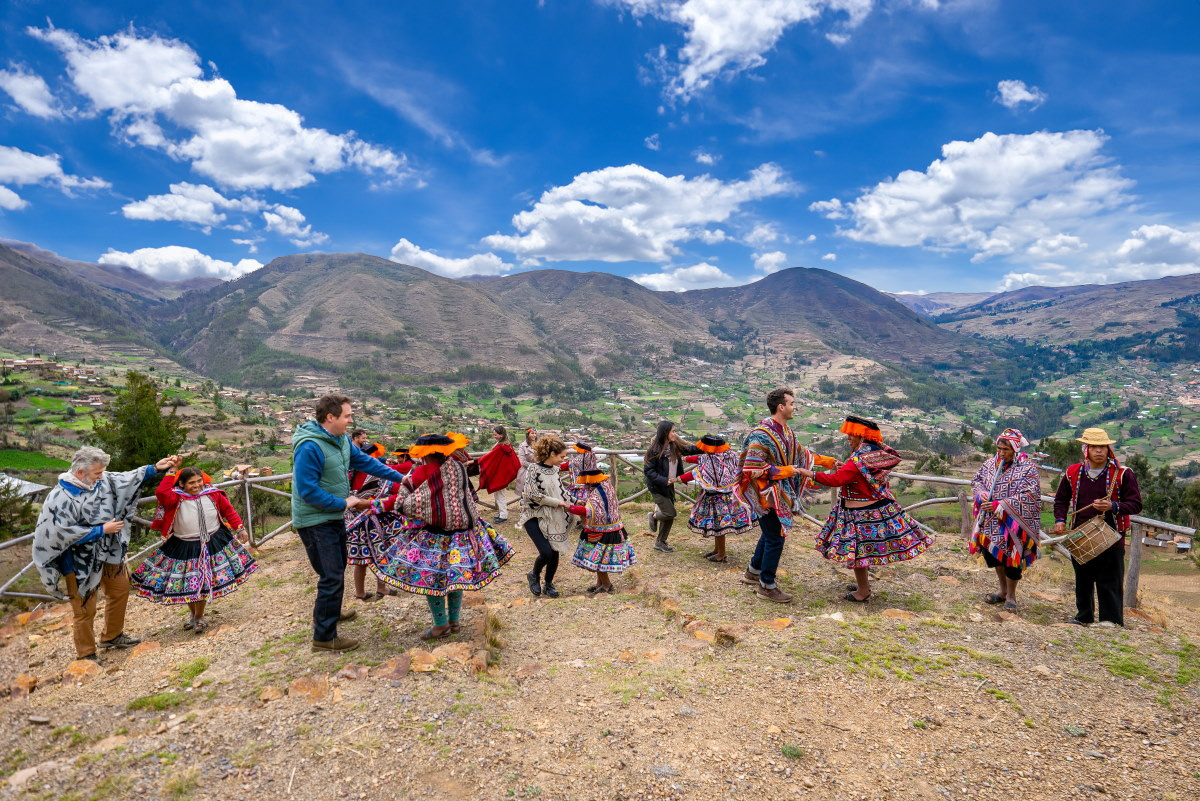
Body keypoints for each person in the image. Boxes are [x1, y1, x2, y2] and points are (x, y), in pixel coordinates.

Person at [32, 446, 176, 662]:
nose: (102, 477)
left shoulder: (100, 480)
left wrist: (155, 468)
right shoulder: (59, 498)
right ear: (80, 472)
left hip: (109, 552)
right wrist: (100, 530)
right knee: (84, 609)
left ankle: (112, 636)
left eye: (101, 472)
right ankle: (86, 655)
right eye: (97, 473)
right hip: (76, 563)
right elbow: (58, 534)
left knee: (120, 589)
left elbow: (123, 479)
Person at [365, 433, 514, 640]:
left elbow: (401, 502)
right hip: (462, 534)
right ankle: (454, 621)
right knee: (455, 577)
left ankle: (440, 624)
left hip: (434, 536)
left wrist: (371, 504)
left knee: (432, 580)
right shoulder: (458, 468)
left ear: (423, 453)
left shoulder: (420, 473)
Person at [291, 394, 408, 653]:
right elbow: (307, 491)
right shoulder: (309, 447)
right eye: (347, 416)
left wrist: (402, 478)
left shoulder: (341, 440)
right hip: (314, 520)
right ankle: (324, 637)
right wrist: (346, 503)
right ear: (330, 417)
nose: (351, 420)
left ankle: (329, 613)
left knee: (335, 568)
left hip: (332, 516)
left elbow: (366, 462)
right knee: (331, 574)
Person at [803, 415, 933, 603]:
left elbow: (837, 480)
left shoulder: (858, 459)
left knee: (857, 554)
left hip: (860, 514)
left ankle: (863, 592)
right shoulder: (871, 453)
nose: (848, 439)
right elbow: (854, 473)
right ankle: (862, 585)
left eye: (851, 436)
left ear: (861, 437)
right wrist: (844, 467)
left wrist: (810, 473)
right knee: (860, 552)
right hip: (871, 507)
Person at [132, 464, 257, 632]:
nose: (197, 485)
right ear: (182, 484)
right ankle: (193, 616)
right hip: (184, 545)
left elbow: (228, 510)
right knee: (188, 584)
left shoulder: (212, 494)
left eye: (199, 481)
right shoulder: (175, 498)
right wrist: (170, 472)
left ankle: (199, 617)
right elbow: (161, 493)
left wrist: (240, 528)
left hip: (213, 541)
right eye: (191, 483)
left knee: (204, 582)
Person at [737, 389, 835, 603]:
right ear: (781, 407)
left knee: (770, 534)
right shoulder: (761, 435)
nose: (794, 407)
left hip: (779, 494)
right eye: (792, 403)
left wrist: (829, 462)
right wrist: (786, 471)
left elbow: (802, 455)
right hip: (765, 495)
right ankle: (767, 585)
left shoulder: (787, 433)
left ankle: (753, 572)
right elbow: (751, 468)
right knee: (775, 537)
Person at [1053, 427, 1142, 627]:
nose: (1099, 451)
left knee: (1109, 580)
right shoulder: (1073, 473)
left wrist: (1113, 506)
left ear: (1108, 449)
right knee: (1083, 578)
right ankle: (1083, 616)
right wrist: (1059, 519)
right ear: (1086, 449)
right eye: (1094, 447)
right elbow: (1061, 499)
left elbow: (1135, 504)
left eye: (1103, 447)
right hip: (1080, 533)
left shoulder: (1122, 475)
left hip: (1111, 536)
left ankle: (1110, 622)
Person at [968, 428, 1042, 612]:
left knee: (1012, 559)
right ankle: (1002, 591)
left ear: (1016, 449)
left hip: (1012, 524)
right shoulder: (989, 465)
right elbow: (977, 481)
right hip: (991, 522)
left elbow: (1029, 495)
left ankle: (1011, 596)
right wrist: (982, 495)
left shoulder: (1028, 469)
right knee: (994, 556)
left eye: (1006, 450)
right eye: (999, 448)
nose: (1001, 453)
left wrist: (1000, 505)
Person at [677, 435, 754, 563]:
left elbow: (695, 473)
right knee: (718, 525)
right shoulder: (730, 455)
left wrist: (677, 479)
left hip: (717, 498)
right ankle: (717, 549)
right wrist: (683, 458)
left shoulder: (710, 460)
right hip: (729, 495)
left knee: (719, 526)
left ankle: (721, 554)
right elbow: (699, 459)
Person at [519, 435, 574, 598]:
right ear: (551, 454)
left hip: (551, 516)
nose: (563, 460)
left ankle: (548, 584)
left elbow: (562, 492)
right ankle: (534, 574)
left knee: (555, 550)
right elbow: (533, 494)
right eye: (561, 457)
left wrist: (581, 503)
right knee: (546, 552)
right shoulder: (533, 469)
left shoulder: (555, 471)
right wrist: (557, 503)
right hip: (533, 516)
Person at [569, 469, 636, 593]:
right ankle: (600, 583)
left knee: (599, 557)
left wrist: (568, 507)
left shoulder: (598, 493)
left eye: (586, 482)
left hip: (604, 531)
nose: (585, 485)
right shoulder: (604, 486)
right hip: (609, 527)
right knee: (598, 557)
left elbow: (590, 511)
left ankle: (606, 584)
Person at [643, 421, 700, 553]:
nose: (675, 434)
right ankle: (653, 516)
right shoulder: (654, 450)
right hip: (658, 487)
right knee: (670, 513)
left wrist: (708, 446)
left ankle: (660, 542)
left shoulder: (674, 446)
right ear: (665, 433)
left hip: (669, 485)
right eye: (673, 431)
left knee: (668, 516)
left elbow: (690, 449)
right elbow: (649, 471)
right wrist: (664, 480)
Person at [478, 425, 521, 525]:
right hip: (502, 474)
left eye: (496, 434)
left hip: (500, 475)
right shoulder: (507, 445)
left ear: (501, 435)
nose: (494, 436)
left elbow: (488, 457)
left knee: (500, 495)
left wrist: (477, 461)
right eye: (494, 434)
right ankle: (502, 513)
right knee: (499, 495)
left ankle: (503, 515)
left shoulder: (501, 447)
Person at [516, 428, 537, 511]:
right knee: (525, 494)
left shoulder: (539, 445)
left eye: (535, 433)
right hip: (526, 472)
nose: (534, 435)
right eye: (532, 433)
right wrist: (534, 466)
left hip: (537, 473)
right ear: (528, 435)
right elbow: (522, 461)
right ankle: (524, 513)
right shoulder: (522, 446)